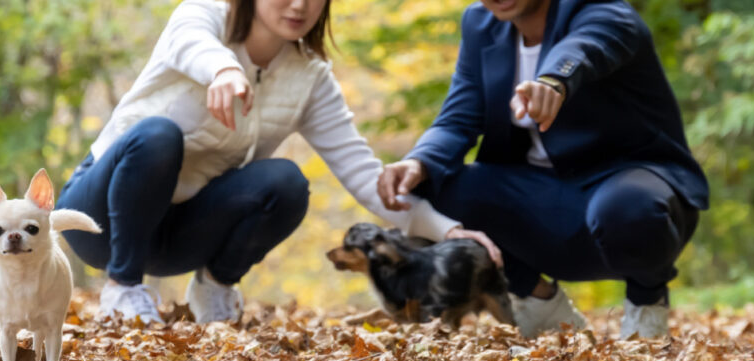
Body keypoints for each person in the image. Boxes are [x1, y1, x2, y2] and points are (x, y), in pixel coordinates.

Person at [56, 0, 496, 325]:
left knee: (285, 182)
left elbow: (364, 175)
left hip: (179, 236)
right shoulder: (203, 16)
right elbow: (192, 42)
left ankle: (214, 287)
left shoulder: (310, 77)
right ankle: (124, 289)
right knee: (157, 135)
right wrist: (224, 70)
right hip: (101, 223)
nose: (300, 5)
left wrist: (448, 231)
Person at [378, 0, 708, 339]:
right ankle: (539, 302)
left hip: (628, 190)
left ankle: (646, 303)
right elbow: (458, 118)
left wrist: (553, 80)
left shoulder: (602, 9)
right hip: (538, 202)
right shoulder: (479, 24)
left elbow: (587, 45)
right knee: (427, 184)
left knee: (628, 208)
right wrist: (417, 161)